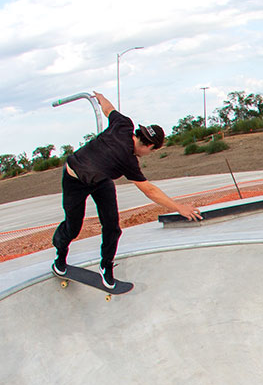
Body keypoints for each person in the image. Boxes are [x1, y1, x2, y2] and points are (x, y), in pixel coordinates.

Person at [51, 92, 202, 287]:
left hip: (100, 180)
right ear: (148, 145)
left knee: (112, 226)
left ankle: (106, 266)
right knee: (73, 226)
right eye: (150, 151)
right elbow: (149, 190)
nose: (146, 155)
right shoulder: (127, 160)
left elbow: (107, 109)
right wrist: (179, 207)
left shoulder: (123, 124)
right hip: (75, 179)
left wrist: (100, 96)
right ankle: (60, 258)